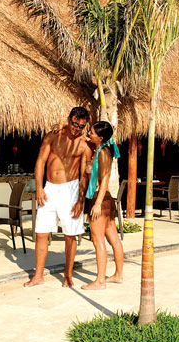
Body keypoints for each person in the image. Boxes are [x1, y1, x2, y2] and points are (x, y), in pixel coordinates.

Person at [25, 106, 91, 288]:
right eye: (75, 124)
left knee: (70, 235)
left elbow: (84, 175)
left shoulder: (84, 144)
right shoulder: (53, 136)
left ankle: (68, 275)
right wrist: (39, 187)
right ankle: (38, 275)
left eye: (82, 126)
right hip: (49, 188)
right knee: (41, 232)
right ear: (69, 120)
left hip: (71, 189)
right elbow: (40, 162)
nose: (77, 129)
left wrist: (80, 200)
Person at [81, 121, 124, 290]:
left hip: (100, 199)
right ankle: (118, 275)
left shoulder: (103, 153)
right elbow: (86, 139)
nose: (89, 134)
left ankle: (100, 281)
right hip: (105, 199)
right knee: (113, 238)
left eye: (91, 132)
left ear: (100, 137)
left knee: (97, 239)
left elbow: (105, 178)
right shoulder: (100, 149)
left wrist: (97, 203)